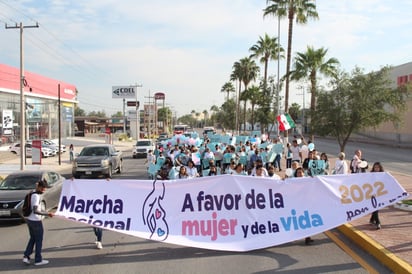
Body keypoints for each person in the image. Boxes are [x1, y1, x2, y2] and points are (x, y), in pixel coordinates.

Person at [23, 180, 54, 266]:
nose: (44, 190)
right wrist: (47, 214)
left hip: (29, 219)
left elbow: (38, 209)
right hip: (35, 221)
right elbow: (36, 210)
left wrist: (46, 212)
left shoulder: (31, 193)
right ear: (39, 187)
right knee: (39, 240)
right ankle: (38, 260)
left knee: (32, 238)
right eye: (43, 189)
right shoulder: (36, 196)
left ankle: (26, 256)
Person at [293, 167, 314, 244]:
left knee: (308, 221)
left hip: (306, 204)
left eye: (301, 172)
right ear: (296, 174)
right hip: (297, 205)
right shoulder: (293, 181)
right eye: (298, 172)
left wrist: (313, 179)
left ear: (303, 173)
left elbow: (313, 184)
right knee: (298, 221)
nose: (300, 174)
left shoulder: (307, 180)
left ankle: (307, 237)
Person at [370, 162, 384, 230]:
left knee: (376, 208)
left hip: (379, 194)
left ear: (380, 168)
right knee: (375, 208)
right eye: (375, 167)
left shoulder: (383, 175)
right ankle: (378, 223)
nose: (376, 169)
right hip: (372, 194)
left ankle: (372, 219)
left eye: (378, 167)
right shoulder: (371, 175)